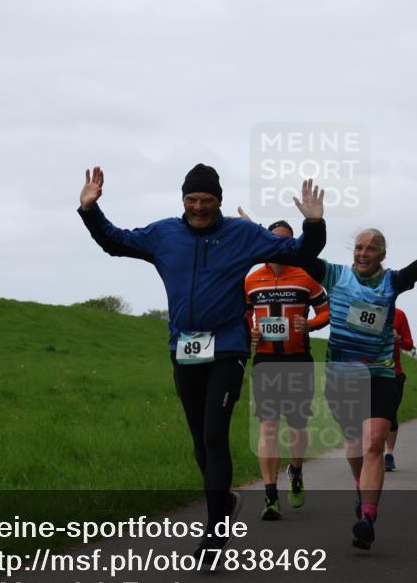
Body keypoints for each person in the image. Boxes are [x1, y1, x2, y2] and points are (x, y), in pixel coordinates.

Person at [77, 165, 326, 555]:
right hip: (184, 348)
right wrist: (90, 211)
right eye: (192, 200)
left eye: (206, 201)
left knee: (214, 435)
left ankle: (215, 533)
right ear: (183, 201)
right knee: (199, 442)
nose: (199, 207)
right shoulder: (164, 234)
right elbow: (115, 242)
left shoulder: (240, 234)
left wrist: (313, 223)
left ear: (219, 202)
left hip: (228, 347)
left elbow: (299, 251)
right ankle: (224, 502)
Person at [297, 202, 417, 549]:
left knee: (374, 442)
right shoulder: (334, 275)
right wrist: (307, 225)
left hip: (379, 372)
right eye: (359, 247)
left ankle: (368, 517)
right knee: (354, 443)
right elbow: (301, 254)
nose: (363, 253)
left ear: (382, 254)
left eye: (371, 248)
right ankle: (363, 491)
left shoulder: (392, 282)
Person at [245, 220, 330, 520]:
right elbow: (242, 313)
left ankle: (295, 470)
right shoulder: (252, 279)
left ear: (293, 245)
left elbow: (325, 310)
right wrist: (250, 333)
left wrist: (309, 324)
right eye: (274, 240)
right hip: (266, 362)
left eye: (286, 241)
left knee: (296, 427)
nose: (280, 247)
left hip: (298, 360)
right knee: (268, 426)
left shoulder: (305, 277)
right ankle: (270, 494)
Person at [383, 307, 413, 472]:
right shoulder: (360, 309)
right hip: (364, 372)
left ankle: (389, 453)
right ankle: (372, 451)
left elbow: (409, 344)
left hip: (393, 373)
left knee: (389, 416)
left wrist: (398, 338)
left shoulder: (399, 314)